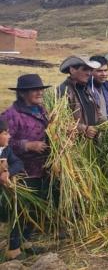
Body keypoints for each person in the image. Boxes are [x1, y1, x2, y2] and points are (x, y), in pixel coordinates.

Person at [1, 74, 54, 259]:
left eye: (41, 89)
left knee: (36, 206)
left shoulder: (42, 110)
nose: (40, 92)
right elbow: (4, 143)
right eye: (35, 90)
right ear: (23, 93)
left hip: (42, 168)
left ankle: (25, 241)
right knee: (20, 208)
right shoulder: (11, 115)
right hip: (22, 171)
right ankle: (13, 250)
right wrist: (27, 145)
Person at [0, 117, 30, 260]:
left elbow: (19, 163)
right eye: (5, 133)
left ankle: (15, 247)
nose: (9, 136)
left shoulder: (5, 150)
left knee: (21, 203)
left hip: (4, 195)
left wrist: (8, 172)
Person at [56, 56, 102, 139]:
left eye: (90, 70)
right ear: (72, 70)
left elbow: (97, 113)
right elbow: (59, 122)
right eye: (85, 69)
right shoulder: (63, 91)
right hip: (75, 145)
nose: (89, 73)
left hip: (92, 143)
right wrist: (84, 129)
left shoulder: (88, 90)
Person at [89, 55, 108, 121]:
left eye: (105, 70)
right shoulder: (85, 89)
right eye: (99, 71)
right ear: (90, 71)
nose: (104, 74)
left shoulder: (107, 87)